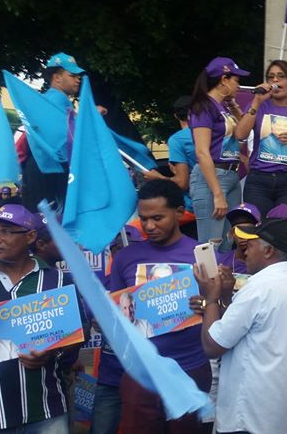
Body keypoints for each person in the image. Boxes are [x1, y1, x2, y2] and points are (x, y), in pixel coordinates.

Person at [98, 180, 211, 434]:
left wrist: (206, 304)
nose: (149, 226)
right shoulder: (125, 258)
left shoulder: (200, 254)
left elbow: (219, 308)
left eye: (158, 218)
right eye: (144, 218)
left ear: (179, 213)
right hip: (141, 371)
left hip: (189, 367)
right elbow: (118, 310)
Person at [191, 217, 287, 434]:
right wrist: (226, 296)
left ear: (268, 252)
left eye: (249, 246)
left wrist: (210, 298)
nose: (243, 253)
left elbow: (213, 345)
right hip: (284, 417)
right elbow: (254, 330)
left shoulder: (258, 287)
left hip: (250, 418)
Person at [0, 204, 88, 433]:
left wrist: (52, 351)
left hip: (46, 409)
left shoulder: (59, 282)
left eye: (6, 231)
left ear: (31, 236)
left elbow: (79, 333)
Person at [235, 60, 287, 216]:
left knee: (286, 230)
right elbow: (240, 135)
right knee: (259, 231)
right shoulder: (259, 106)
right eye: (271, 77)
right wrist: (256, 102)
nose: (275, 80)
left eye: (281, 76)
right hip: (258, 182)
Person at [188, 57, 250, 245]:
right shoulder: (203, 106)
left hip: (232, 174)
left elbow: (244, 131)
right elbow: (202, 152)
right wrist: (217, 194)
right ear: (224, 79)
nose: (238, 85)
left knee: (229, 242)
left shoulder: (223, 107)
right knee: (211, 243)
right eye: (236, 80)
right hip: (212, 176)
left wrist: (234, 106)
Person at [21, 52, 87, 213]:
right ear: (57, 78)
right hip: (49, 169)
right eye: (72, 75)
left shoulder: (57, 102)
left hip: (45, 169)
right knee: (48, 228)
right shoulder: (54, 102)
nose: (78, 79)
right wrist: (89, 118)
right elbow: (61, 139)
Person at [144, 96, 196, 211]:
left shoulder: (177, 140)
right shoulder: (212, 134)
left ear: (176, 116)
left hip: (193, 205)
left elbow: (183, 183)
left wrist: (158, 178)